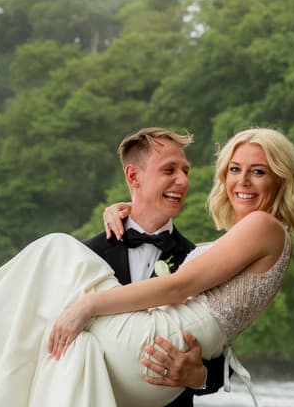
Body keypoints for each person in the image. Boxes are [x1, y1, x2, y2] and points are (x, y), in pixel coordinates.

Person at [0, 127, 294, 407]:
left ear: (280, 177)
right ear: (134, 177)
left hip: (156, 362)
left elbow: (179, 290)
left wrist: (199, 376)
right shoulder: (101, 249)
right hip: (133, 374)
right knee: (70, 347)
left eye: (258, 170)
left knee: (54, 249)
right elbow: (31, 337)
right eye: (235, 169)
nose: (242, 181)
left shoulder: (257, 229)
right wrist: (125, 210)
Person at [82, 127, 227, 407]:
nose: (183, 181)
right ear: (133, 176)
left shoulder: (199, 260)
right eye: (169, 170)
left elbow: (222, 348)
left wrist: (200, 375)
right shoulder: (88, 255)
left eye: (186, 171)